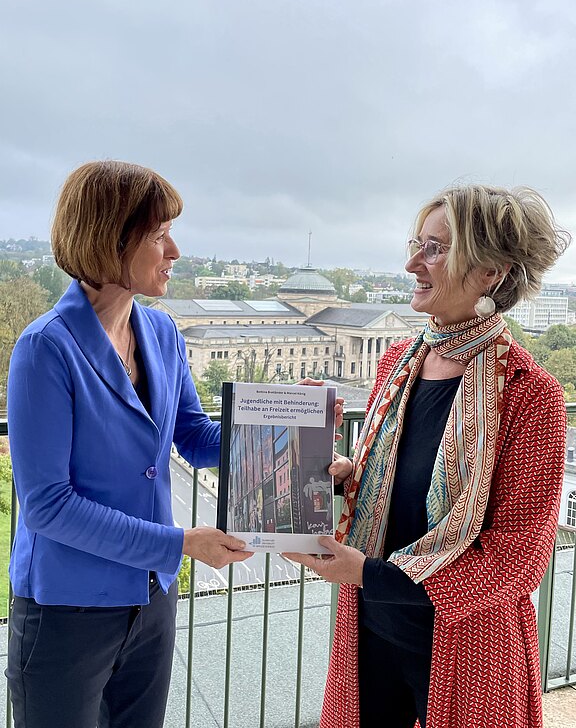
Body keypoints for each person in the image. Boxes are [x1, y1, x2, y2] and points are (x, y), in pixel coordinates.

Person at [285, 184, 570, 728]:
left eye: (437, 248)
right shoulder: (398, 361)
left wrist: (371, 575)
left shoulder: (529, 393)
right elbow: (398, 483)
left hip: (467, 644)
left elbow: (520, 559)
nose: (413, 261)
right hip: (370, 630)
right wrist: (347, 477)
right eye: (417, 243)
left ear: (492, 272)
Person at [6, 161, 254, 728]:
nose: (175, 251)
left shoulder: (162, 333)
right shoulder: (45, 349)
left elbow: (194, 437)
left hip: (151, 604)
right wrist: (179, 544)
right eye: (160, 234)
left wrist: (293, 429)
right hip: (66, 613)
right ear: (110, 238)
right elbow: (47, 505)